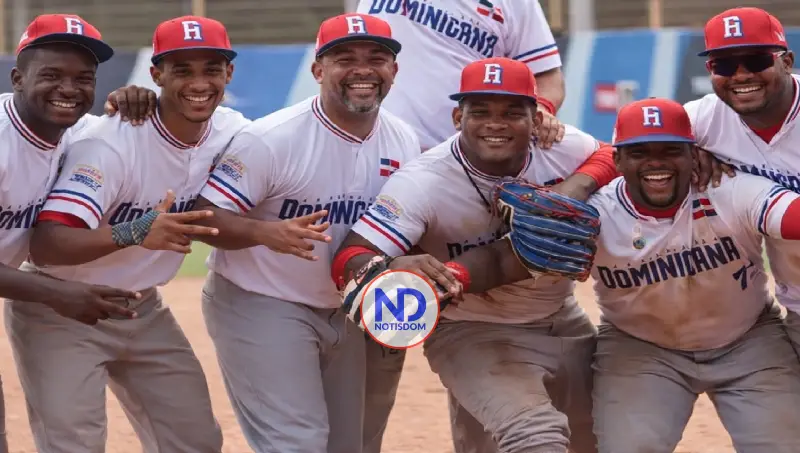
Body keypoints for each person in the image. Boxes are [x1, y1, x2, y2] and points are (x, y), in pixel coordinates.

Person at [446, 97, 800, 452]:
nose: (656, 162)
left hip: (748, 342)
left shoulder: (729, 189)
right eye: (639, 152)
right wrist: (450, 276)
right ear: (617, 161)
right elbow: (506, 260)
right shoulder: (599, 214)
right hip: (642, 352)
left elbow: (791, 217)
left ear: (694, 155)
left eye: (670, 150)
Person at [332, 57, 613, 453]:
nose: (495, 123)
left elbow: (612, 154)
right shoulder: (423, 181)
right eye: (480, 112)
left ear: (537, 120)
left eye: (512, 112)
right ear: (457, 118)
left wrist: (575, 187)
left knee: (595, 441)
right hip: (470, 328)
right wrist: (391, 265)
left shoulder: (559, 147)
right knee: (535, 436)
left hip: (561, 318)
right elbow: (349, 256)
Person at [6, 15, 249, 453]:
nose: (68, 88)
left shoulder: (78, 129)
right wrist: (134, 231)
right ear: (17, 78)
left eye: (83, 78)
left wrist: (136, 98)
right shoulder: (88, 141)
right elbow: (45, 244)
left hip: (139, 306)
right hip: (56, 306)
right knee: (72, 444)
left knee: (195, 439)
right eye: (52, 75)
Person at [190, 13, 420, 453]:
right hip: (263, 298)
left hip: (345, 308)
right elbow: (205, 217)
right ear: (318, 70)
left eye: (376, 58)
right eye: (345, 59)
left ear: (393, 70)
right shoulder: (273, 138)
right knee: (296, 442)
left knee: (349, 445)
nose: (363, 69)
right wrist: (264, 233)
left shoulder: (403, 139)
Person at [683, 7, 800, 358]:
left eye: (756, 60)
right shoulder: (704, 119)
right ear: (710, 71)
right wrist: (679, 153)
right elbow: (624, 151)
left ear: (787, 61)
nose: (741, 75)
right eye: (724, 65)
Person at [358, 0, 566, 151]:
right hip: (373, 148)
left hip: (463, 158)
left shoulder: (515, 4)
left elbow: (548, 78)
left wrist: (541, 108)